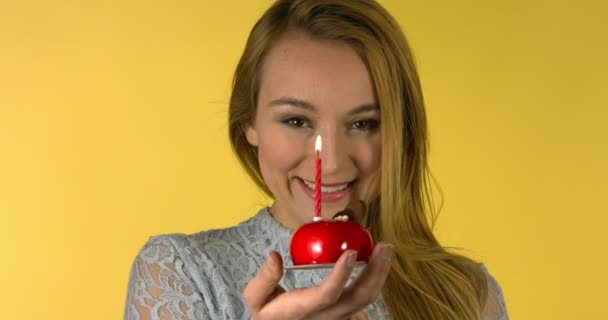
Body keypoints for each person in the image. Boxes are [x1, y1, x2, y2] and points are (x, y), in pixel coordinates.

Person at [124, 0, 508, 319]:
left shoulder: (464, 295)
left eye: (363, 123)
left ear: (400, 132)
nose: (333, 161)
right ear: (249, 123)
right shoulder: (180, 274)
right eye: (296, 120)